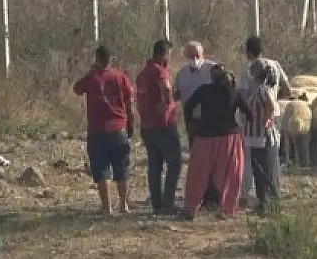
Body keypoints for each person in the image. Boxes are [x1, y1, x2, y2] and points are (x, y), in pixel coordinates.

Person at [180, 64, 251, 220]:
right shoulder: (233, 93)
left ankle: (191, 207)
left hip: (204, 136)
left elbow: (188, 106)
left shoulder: (204, 90)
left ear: (211, 77)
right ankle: (228, 208)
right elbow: (249, 113)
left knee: (198, 173)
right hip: (230, 138)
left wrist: (190, 123)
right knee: (231, 173)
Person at [73, 45, 136, 215]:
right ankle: (124, 205)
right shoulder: (120, 77)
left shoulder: (92, 78)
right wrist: (131, 124)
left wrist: (90, 72)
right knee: (122, 167)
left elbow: (77, 89)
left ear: (97, 58)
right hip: (119, 128)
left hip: (97, 130)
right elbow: (130, 102)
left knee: (101, 169)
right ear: (111, 59)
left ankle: (107, 207)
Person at [238, 35, 291, 207]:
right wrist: (274, 101)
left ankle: (257, 197)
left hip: (256, 124)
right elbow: (287, 90)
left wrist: (260, 110)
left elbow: (243, 96)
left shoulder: (249, 68)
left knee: (256, 162)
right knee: (272, 158)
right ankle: (273, 195)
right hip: (273, 120)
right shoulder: (275, 64)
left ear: (248, 51)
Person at [136, 39, 182, 215]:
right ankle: (168, 203)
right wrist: (168, 102)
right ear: (164, 54)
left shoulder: (142, 74)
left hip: (147, 126)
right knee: (174, 163)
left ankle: (157, 204)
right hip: (163, 124)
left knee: (154, 166)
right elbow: (167, 89)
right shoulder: (159, 71)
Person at [172, 41, 220, 209]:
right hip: (192, 122)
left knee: (214, 161)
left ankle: (214, 197)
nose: (194, 59)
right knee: (199, 161)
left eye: (197, 56)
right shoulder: (182, 74)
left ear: (203, 54)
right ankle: (200, 196)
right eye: (191, 56)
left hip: (212, 121)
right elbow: (175, 95)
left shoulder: (213, 69)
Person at [243, 58, 280, 214]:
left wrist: (266, 121)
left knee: (265, 171)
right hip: (255, 137)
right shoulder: (258, 90)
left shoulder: (262, 90)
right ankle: (264, 203)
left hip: (261, 137)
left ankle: (269, 204)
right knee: (261, 170)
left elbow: (270, 106)